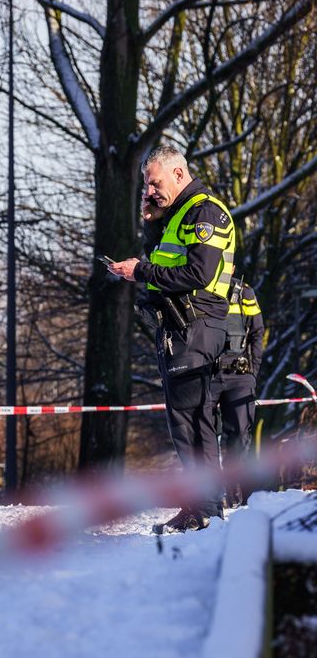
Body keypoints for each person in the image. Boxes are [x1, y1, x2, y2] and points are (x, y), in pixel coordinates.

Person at [108, 144, 237, 534]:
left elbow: (199, 272)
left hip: (198, 326)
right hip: (179, 328)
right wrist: (151, 225)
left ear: (179, 174)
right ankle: (197, 506)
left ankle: (205, 510)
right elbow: (166, 260)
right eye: (147, 185)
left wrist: (141, 272)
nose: (149, 190)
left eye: (155, 182)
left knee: (195, 422)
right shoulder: (177, 214)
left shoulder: (204, 211)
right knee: (183, 424)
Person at [213, 280, 264, 507]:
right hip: (206, 375)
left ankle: (241, 497)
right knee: (204, 437)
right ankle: (211, 498)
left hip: (239, 375)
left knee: (239, 438)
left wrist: (252, 372)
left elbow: (256, 331)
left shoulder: (244, 292)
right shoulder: (197, 287)